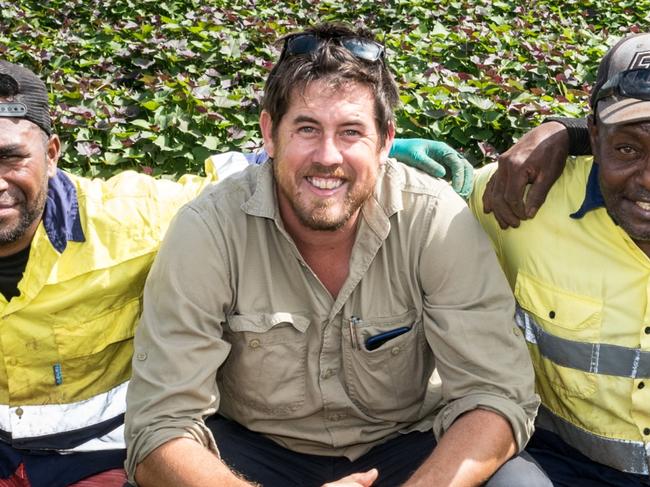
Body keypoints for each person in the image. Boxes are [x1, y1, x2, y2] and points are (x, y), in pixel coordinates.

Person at [0, 60, 469, 487]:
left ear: (53, 152)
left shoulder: (135, 219)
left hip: (94, 459)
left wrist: (353, 154)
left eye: (12, 156)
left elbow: (232, 181)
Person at [124, 22, 545, 487]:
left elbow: (496, 392)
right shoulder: (209, 229)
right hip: (252, 456)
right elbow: (160, 426)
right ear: (269, 132)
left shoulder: (435, 220)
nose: (328, 156)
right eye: (307, 128)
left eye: (350, 132)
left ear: (385, 140)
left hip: (408, 447)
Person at [468, 33, 650, 486]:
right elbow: (381, 185)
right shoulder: (518, 200)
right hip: (565, 466)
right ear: (595, 134)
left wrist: (561, 129)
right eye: (627, 149)